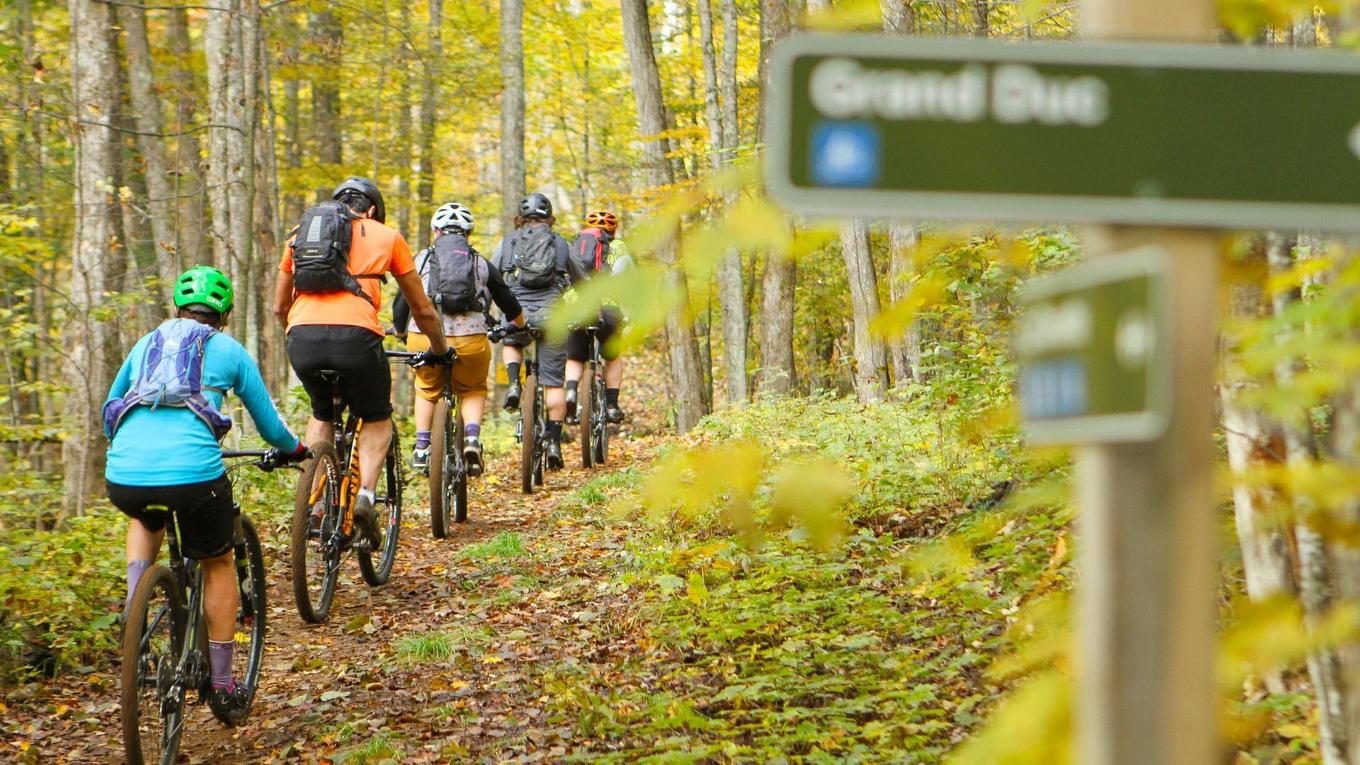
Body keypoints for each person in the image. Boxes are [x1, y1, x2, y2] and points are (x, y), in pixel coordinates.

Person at [104, 266, 308, 722]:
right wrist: (295, 449)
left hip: (124, 474)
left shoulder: (145, 343)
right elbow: (270, 426)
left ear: (175, 308)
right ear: (227, 314)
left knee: (145, 514)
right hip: (194, 475)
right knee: (217, 562)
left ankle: (136, 613)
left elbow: (110, 406)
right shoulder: (229, 350)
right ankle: (221, 682)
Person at [274, 176, 452, 548]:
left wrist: (296, 332)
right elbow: (421, 309)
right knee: (376, 417)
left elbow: (279, 306)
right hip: (357, 337)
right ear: (372, 210)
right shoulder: (386, 237)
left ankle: (316, 500)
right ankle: (366, 497)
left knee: (322, 414)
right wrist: (439, 348)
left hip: (301, 336)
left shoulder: (300, 234)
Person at [403, 202, 526, 476]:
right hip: (470, 340)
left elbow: (403, 301)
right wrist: (520, 324)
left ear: (435, 231)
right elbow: (508, 301)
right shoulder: (480, 261)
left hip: (424, 337)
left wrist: (402, 331)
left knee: (425, 387)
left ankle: (422, 447)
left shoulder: (421, 259)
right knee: (472, 389)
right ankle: (471, 439)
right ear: (468, 234)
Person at [492, 192, 587, 470]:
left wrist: (492, 313)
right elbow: (580, 279)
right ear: (549, 218)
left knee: (512, 342)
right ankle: (555, 443)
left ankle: (513, 383)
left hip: (517, 312)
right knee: (554, 384)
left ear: (521, 218)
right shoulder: (560, 244)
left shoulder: (508, 242)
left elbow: (492, 276)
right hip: (553, 315)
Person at [564, 209, 630, 425]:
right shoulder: (619, 247)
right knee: (612, 356)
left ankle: (572, 391)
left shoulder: (575, 245)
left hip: (578, 306)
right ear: (613, 229)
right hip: (608, 307)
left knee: (574, 357)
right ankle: (611, 405)